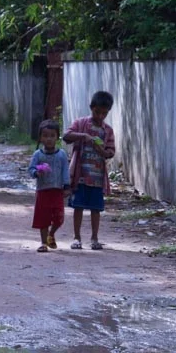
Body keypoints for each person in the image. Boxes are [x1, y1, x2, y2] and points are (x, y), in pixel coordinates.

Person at [65, 91, 115, 250]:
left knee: (96, 209)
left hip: (97, 177)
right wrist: (84, 137)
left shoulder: (108, 131)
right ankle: (77, 237)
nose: (100, 116)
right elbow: (66, 135)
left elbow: (110, 152)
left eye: (104, 113)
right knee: (78, 206)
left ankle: (94, 238)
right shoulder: (80, 123)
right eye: (97, 112)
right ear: (91, 108)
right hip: (80, 175)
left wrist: (103, 152)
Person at [28, 121, 69, 251]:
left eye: (52, 135)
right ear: (40, 138)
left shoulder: (61, 154)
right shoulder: (38, 155)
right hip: (43, 191)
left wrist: (67, 186)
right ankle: (43, 243)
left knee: (59, 218)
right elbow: (31, 169)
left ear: (57, 137)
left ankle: (51, 234)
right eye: (45, 136)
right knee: (43, 218)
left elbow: (65, 171)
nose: (49, 139)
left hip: (57, 191)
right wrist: (36, 172)